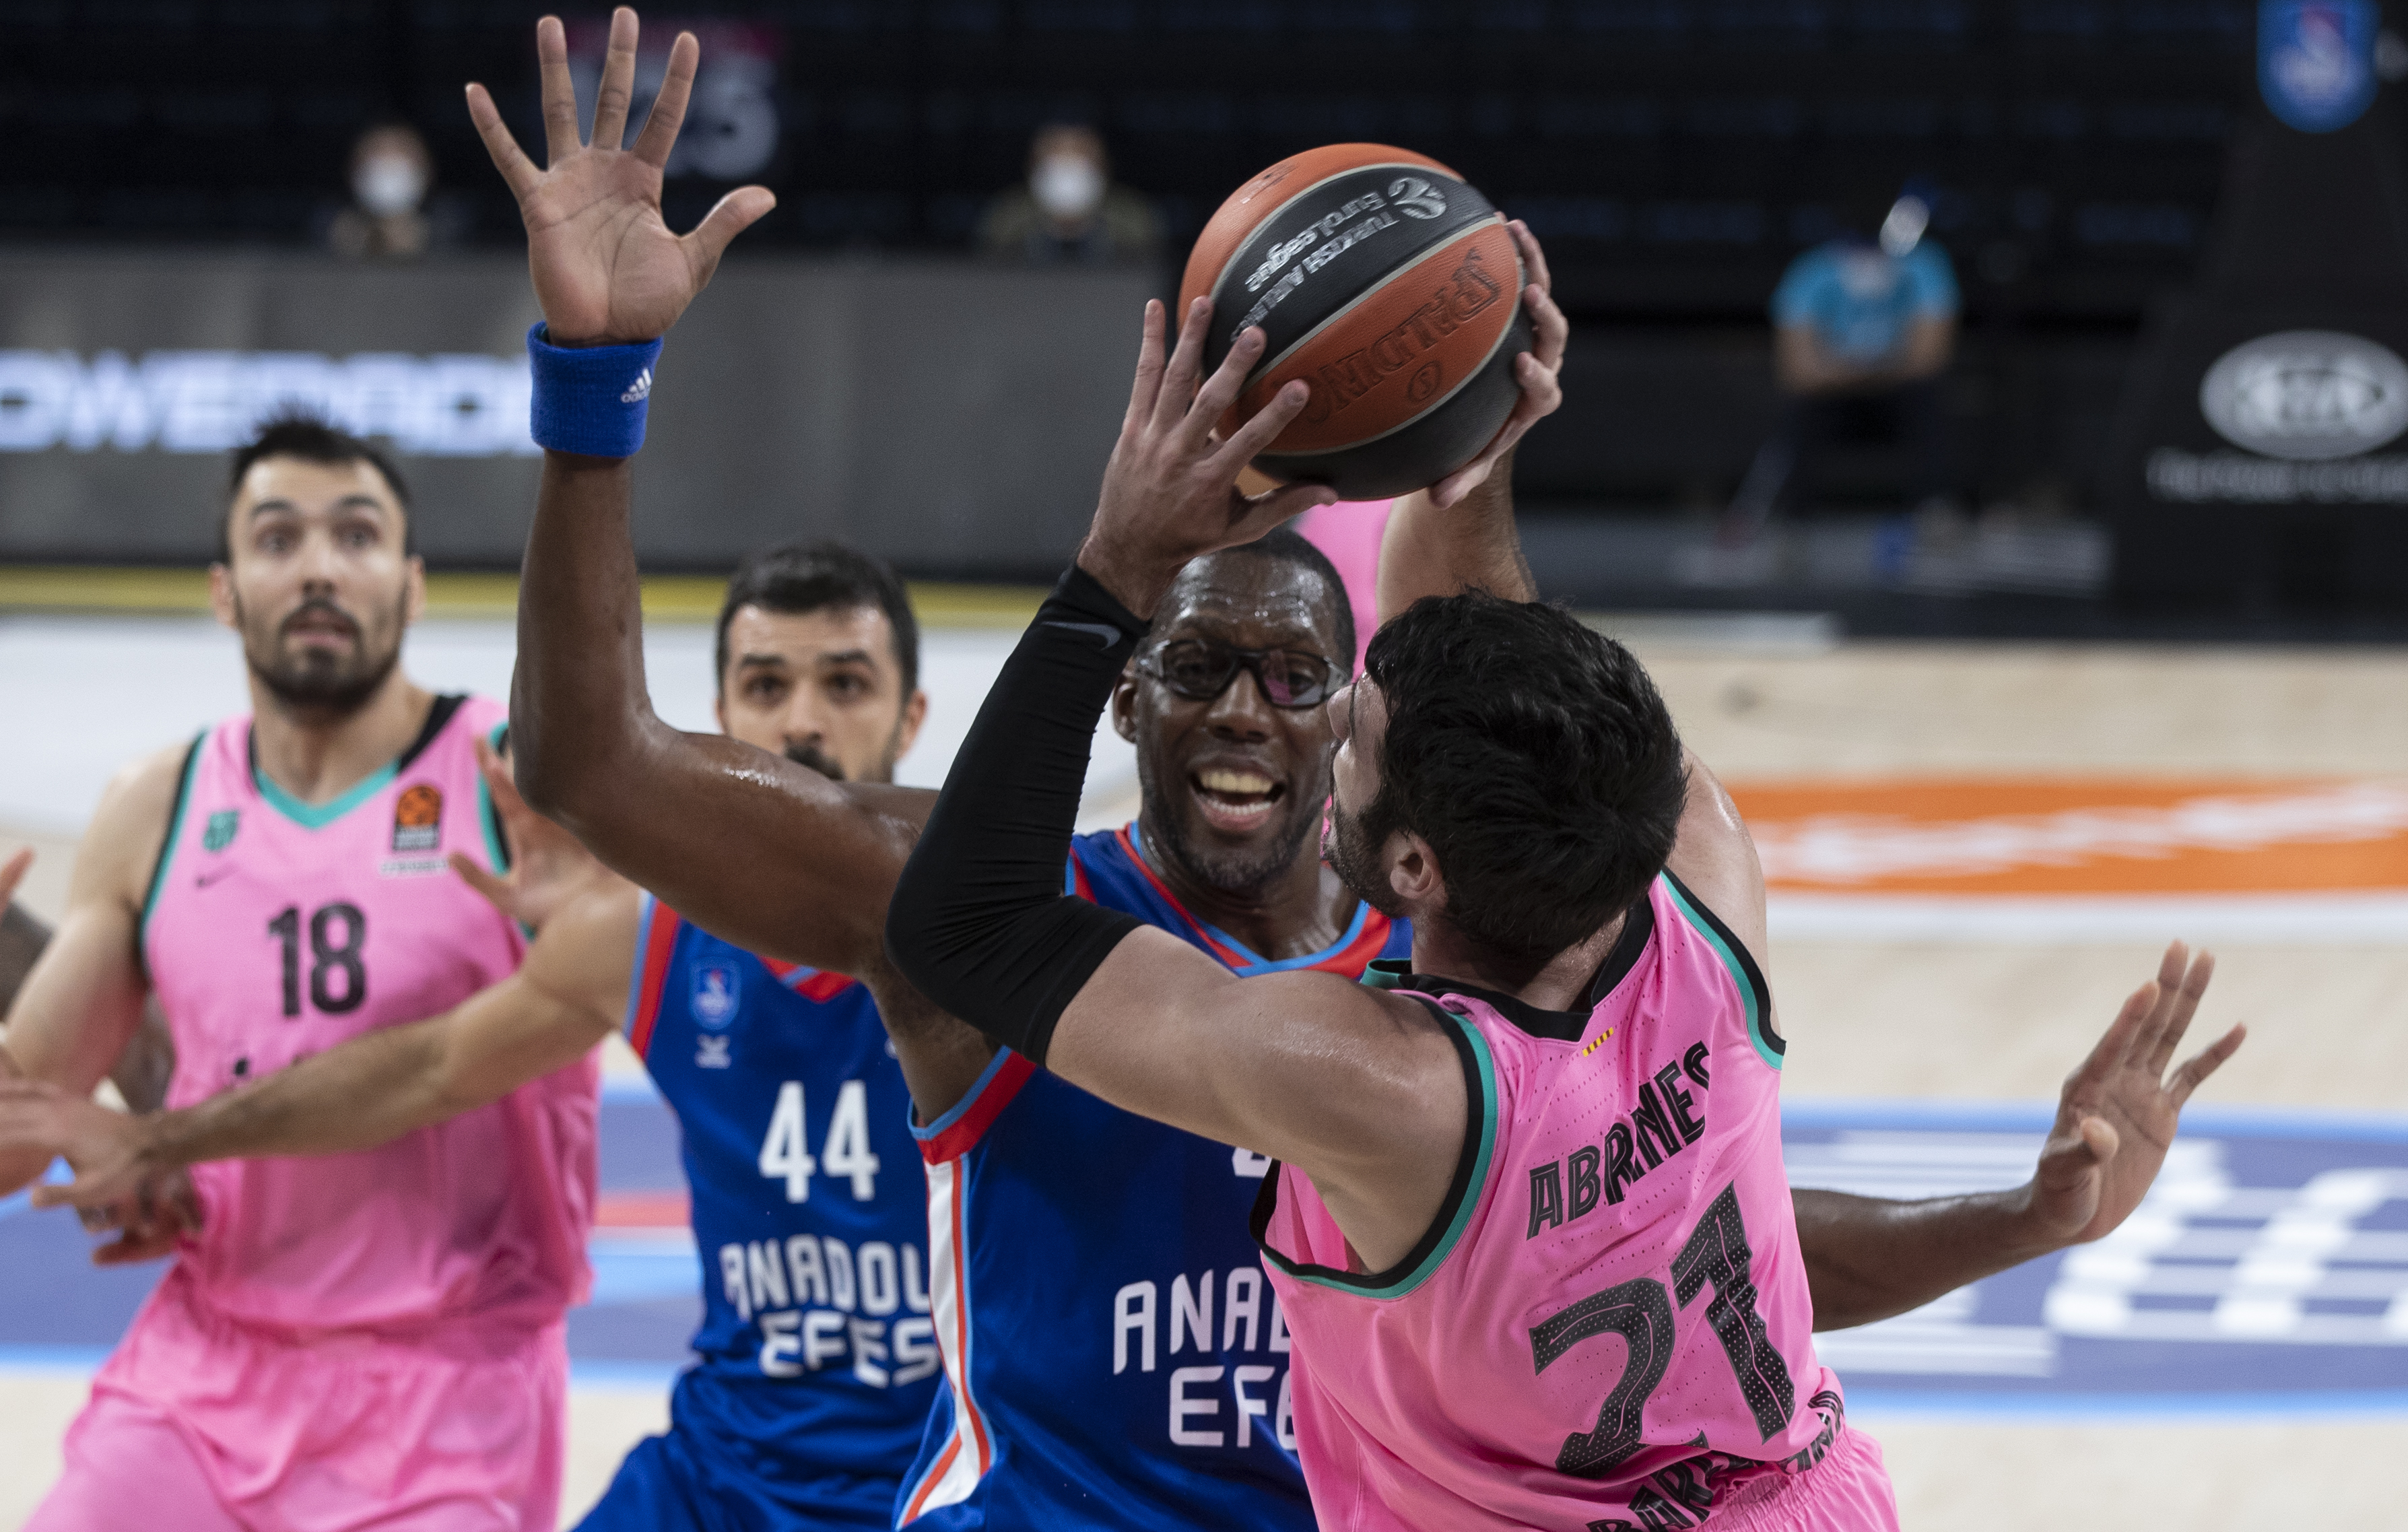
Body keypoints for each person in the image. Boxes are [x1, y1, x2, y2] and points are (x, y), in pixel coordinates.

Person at [880, 295, 2248, 1527]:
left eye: (1356, 740)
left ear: (1413, 869)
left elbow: (968, 929)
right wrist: (1466, 445)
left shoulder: (1381, 1088)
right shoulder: (1704, 890)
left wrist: (1118, 564)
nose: (1336, 726)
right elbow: (1514, 669)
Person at [2, 539, 957, 1531]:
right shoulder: (639, 937)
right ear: (719, 717)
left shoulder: (998, 948)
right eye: (767, 685)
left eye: (846, 684)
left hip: (943, 1479)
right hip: (721, 1473)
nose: (802, 720)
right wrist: (160, 1139)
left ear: (912, 715)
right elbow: (425, 1067)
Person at [0, 413, 597, 1531]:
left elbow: (491, 1047)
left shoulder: (515, 786)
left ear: (412, 586)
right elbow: (20, 1132)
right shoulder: (156, 805)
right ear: (225, 592)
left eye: (356, 536)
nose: (320, 566)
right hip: (207, 1367)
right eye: (278, 539)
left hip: (453, 1380)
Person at [1725, 189, 1962, 554]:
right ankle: (1792, 528)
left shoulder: (1923, 264)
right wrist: (1859, 372)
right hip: (1834, 401)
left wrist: (1856, 369)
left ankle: (1934, 512)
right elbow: (1795, 370)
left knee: (1928, 398)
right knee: (1799, 409)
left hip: (1896, 399)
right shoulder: (1812, 271)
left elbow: (1929, 358)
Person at [977, 123, 1162, 267]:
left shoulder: (1134, 220)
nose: (1068, 162)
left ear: (1104, 166)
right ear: (1033, 166)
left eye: (1081, 151)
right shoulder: (1006, 220)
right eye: (1056, 150)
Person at [327, 123, 461, 261]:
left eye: (402, 150)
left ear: (427, 170)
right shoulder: (328, 229)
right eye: (377, 151)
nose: (388, 164)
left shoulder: (451, 232)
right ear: (353, 171)